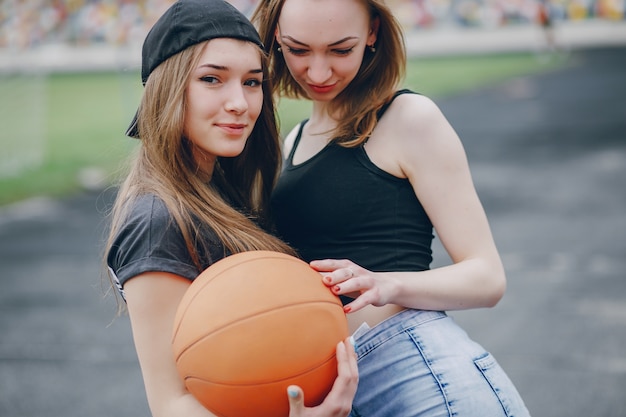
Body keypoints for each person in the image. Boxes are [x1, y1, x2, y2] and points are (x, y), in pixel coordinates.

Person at [252, 0, 531, 415]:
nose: (318, 72)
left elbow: (487, 277)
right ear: (276, 36)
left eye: (340, 50)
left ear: (373, 32)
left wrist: (387, 284)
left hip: (423, 378)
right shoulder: (292, 141)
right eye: (298, 49)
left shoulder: (408, 119)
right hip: (339, 392)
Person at [104, 1, 357, 416]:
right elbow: (171, 403)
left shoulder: (221, 190)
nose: (240, 102)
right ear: (169, 88)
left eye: (253, 82)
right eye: (212, 79)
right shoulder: (157, 220)